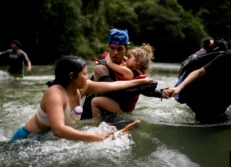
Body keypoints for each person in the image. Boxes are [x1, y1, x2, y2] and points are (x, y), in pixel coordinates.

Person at [9, 56, 153, 142]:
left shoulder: (83, 87)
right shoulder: (54, 94)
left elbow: (113, 85)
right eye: (84, 74)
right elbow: (58, 130)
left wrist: (141, 82)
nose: (87, 76)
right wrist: (97, 137)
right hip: (26, 140)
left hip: (47, 139)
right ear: (72, 76)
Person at [81, 28, 162, 122]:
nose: (115, 52)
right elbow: (115, 91)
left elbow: (138, 89)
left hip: (114, 112)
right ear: (108, 48)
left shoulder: (128, 66)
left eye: (119, 49)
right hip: (92, 114)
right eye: (112, 48)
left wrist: (160, 93)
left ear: (126, 49)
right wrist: (143, 84)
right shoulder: (101, 68)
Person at [162, 38, 231, 123]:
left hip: (227, 88)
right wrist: (178, 88)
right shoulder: (230, 56)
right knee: (209, 120)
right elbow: (199, 72)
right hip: (204, 90)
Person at [91, 43, 154, 121]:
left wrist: (108, 57)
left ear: (138, 61)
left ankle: (97, 124)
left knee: (95, 101)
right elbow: (124, 65)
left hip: (122, 107)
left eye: (129, 57)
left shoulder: (128, 72)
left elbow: (110, 64)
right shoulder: (140, 73)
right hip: (128, 107)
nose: (126, 59)